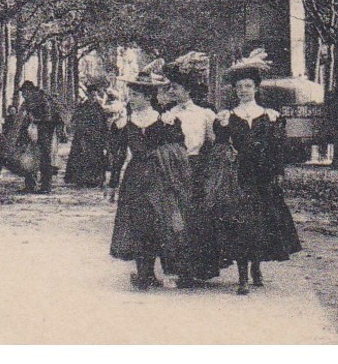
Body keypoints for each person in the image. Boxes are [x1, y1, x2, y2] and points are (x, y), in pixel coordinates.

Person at [208, 50, 303, 294]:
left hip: (263, 178)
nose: (243, 91)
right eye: (239, 87)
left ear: (256, 89)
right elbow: (220, 146)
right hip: (238, 177)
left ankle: (256, 267)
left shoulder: (269, 116)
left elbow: (278, 149)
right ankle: (242, 277)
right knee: (240, 225)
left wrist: (278, 172)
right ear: (235, 90)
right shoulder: (228, 116)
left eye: (248, 86)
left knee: (261, 224)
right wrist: (222, 128)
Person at [108, 64, 198, 290]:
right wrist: (111, 184)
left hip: (161, 178)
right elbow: (118, 155)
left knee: (161, 222)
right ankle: (144, 274)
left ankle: (161, 271)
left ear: (148, 96)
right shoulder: (124, 123)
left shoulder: (166, 121)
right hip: (136, 178)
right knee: (138, 223)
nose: (132, 99)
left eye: (136, 95)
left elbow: (180, 150)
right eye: (131, 95)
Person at [160, 52, 224, 285]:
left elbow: (213, 141)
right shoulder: (168, 115)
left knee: (198, 217)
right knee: (177, 217)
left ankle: (199, 269)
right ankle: (181, 270)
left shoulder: (204, 114)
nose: (172, 92)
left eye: (175, 88)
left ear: (187, 90)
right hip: (174, 169)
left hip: (197, 168)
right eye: (170, 89)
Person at [16, 79, 61, 193]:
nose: (23, 95)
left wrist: (35, 120)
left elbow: (48, 117)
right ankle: (30, 185)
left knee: (45, 158)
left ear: (30, 91)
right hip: (32, 132)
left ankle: (46, 186)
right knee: (29, 158)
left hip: (45, 132)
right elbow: (23, 117)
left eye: (24, 92)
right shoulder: (27, 101)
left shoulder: (42, 99)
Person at [65, 80, 112, 187]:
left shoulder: (99, 107)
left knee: (96, 157)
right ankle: (81, 180)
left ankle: (95, 180)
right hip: (84, 136)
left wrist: (105, 136)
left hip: (97, 137)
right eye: (92, 95)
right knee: (83, 157)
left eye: (95, 95)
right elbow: (76, 120)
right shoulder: (83, 107)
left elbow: (103, 123)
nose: (94, 97)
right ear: (88, 95)